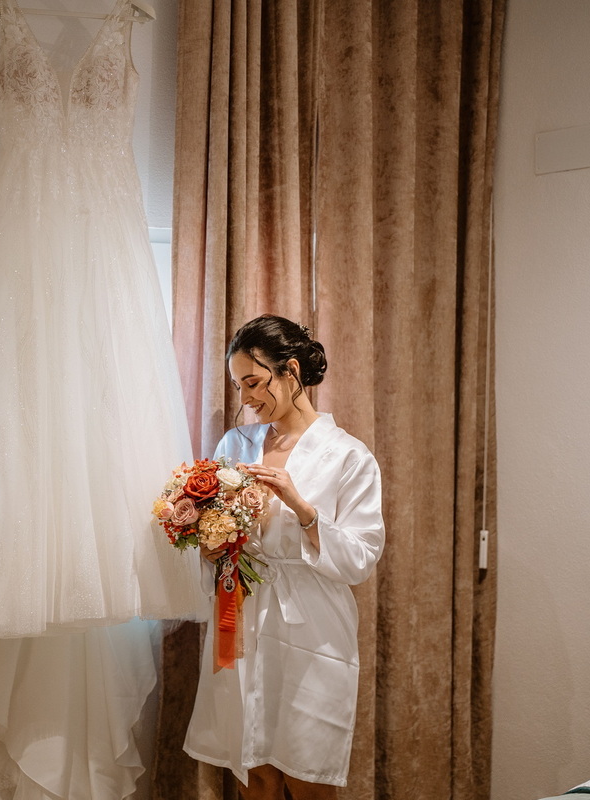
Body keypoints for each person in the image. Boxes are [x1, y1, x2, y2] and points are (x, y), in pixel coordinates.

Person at [183, 315, 386, 800]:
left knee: (308, 774)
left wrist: (304, 509)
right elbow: (218, 537)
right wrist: (209, 544)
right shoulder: (236, 445)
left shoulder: (348, 456)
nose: (245, 398)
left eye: (253, 383)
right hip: (242, 617)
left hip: (312, 626)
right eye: (238, 386)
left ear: (290, 371)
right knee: (255, 772)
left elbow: (361, 558)